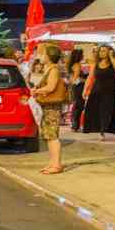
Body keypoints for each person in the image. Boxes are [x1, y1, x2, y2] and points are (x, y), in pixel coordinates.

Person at [30, 44, 67, 174]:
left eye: (43, 53)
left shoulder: (54, 70)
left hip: (52, 106)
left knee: (52, 136)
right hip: (48, 106)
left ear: (49, 56)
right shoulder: (50, 69)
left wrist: (36, 91)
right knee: (48, 135)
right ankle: (52, 163)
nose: (40, 56)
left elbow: (51, 87)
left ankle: (57, 165)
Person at [82, 44, 115, 141]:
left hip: (111, 91)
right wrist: (85, 90)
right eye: (100, 51)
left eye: (104, 51)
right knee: (99, 111)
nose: (101, 53)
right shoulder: (95, 64)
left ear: (110, 51)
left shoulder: (114, 62)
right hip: (97, 91)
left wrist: (111, 56)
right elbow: (90, 77)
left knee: (113, 111)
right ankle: (102, 132)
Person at [67, 48, 87, 132]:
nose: (83, 56)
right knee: (79, 106)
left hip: (76, 87)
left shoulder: (72, 64)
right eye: (82, 54)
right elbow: (75, 78)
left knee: (77, 106)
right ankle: (75, 125)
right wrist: (85, 80)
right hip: (79, 87)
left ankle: (75, 125)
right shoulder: (77, 65)